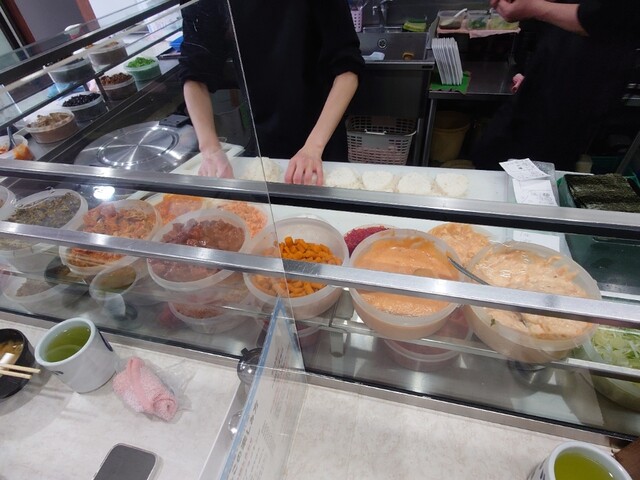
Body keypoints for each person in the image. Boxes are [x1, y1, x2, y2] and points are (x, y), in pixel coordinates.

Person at [179, 0, 364, 185]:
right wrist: (210, 149)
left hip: (323, 136)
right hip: (264, 140)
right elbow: (194, 72)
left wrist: (313, 147)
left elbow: (347, 69)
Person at [471, 0, 640, 171]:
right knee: (493, 151)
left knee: (541, 163)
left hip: (581, 80)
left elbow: (603, 18)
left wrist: (534, 7)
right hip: (556, 63)